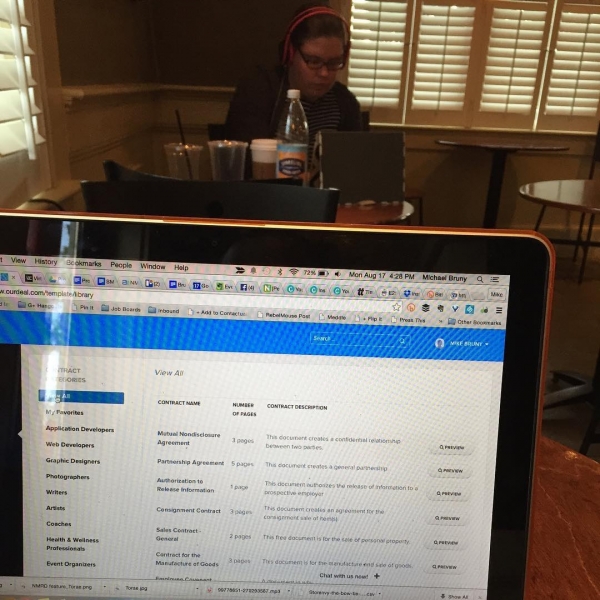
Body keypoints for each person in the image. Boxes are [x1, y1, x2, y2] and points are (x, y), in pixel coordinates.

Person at [225, 2, 363, 156]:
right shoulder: (258, 91)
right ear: (290, 54)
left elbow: (355, 164)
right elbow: (245, 163)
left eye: (334, 62)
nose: (324, 73)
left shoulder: (346, 102)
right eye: (313, 61)